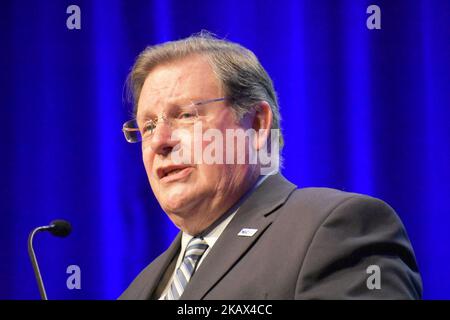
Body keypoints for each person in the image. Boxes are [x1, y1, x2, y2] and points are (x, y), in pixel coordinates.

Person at [119, 33, 422, 300]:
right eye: (147, 127)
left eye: (185, 115)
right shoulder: (139, 288)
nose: (159, 141)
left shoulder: (336, 229)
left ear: (256, 124)